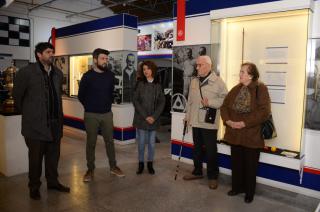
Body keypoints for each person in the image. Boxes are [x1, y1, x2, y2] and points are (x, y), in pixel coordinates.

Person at [12, 42, 70, 200]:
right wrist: (31, 113)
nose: (51, 54)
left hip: (55, 124)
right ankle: (34, 187)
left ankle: (52, 182)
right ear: (39, 54)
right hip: (35, 126)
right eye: (48, 52)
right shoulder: (27, 72)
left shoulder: (57, 73)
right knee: (35, 159)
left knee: (53, 157)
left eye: (52, 51)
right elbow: (17, 96)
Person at [220, 62, 271, 203]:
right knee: (236, 164)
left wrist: (244, 123)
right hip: (234, 134)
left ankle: (249, 193)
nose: (240, 74)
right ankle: (237, 188)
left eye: (243, 72)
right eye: (240, 71)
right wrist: (228, 121)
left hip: (251, 135)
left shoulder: (261, 89)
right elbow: (224, 106)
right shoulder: (236, 89)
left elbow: (264, 112)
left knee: (250, 166)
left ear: (251, 75)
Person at [78, 48, 125, 182]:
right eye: (103, 58)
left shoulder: (110, 75)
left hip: (107, 114)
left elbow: (110, 93)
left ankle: (113, 166)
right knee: (91, 143)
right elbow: (81, 96)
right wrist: (90, 106)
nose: (105, 61)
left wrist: (106, 105)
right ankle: (90, 170)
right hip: (91, 115)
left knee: (110, 141)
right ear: (95, 60)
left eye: (106, 59)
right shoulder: (87, 76)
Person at [183, 55, 228, 190]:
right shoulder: (194, 81)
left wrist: (211, 103)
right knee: (196, 148)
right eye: (196, 65)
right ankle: (197, 171)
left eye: (199, 65)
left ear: (208, 66)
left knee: (210, 151)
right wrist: (187, 116)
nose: (197, 67)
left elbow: (225, 99)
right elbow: (190, 101)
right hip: (195, 121)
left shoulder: (218, 81)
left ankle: (213, 176)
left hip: (209, 122)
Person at [133, 61, 165, 175]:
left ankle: (150, 163)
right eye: (144, 69)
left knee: (151, 143)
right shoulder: (140, 83)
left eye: (148, 69)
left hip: (153, 120)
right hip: (142, 119)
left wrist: (154, 116)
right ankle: (141, 163)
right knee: (141, 143)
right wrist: (146, 116)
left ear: (153, 70)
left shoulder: (158, 85)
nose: (146, 71)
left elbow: (162, 102)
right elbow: (135, 101)